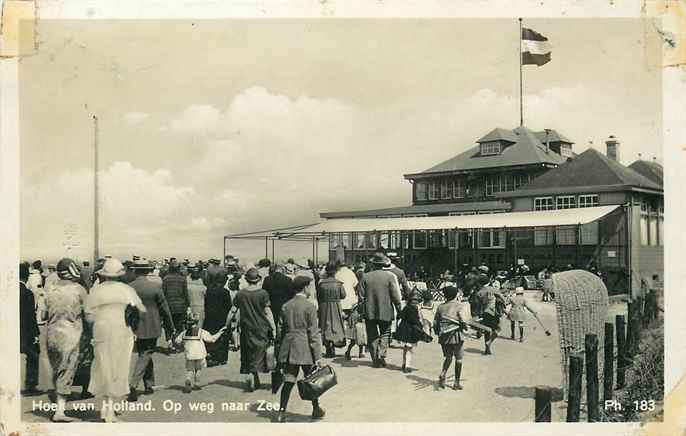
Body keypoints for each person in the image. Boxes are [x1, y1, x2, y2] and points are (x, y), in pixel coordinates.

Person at [85, 258, 145, 423]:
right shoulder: (126, 290)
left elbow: (89, 317)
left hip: (101, 329)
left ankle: (105, 409)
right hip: (120, 329)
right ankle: (110, 413)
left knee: (103, 365)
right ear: (119, 275)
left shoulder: (95, 290)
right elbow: (140, 309)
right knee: (118, 366)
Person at [275, 275, 325, 423]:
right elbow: (314, 333)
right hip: (305, 348)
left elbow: (280, 330)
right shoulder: (310, 306)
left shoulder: (286, 305)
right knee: (311, 381)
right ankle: (316, 409)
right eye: (309, 286)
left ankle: (281, 413)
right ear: (305, 288)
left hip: (289, 347)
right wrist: (318, 357)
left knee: (289, 380)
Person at [44, 258, 88, 422]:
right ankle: (59, 412)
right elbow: (89, 315)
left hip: (51, 334)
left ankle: (58, 405)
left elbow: (42, 314)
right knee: (67, 370)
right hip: (71, 334)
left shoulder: (50, 289)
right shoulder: (79, 290)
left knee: (58, 369)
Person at [128, 259, 175, 401]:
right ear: (148, 271)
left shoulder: (130, 287)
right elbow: (165, 309)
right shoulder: (155, 287)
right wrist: (170, 326)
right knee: (146, 354)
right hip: (153, 325)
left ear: (135, 270)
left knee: (145, 353)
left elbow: (126, 309)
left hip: (135, 326)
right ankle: (133, 384)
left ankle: (149, 385)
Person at [227, 268, 276, 391]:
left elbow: (233, 310)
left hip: (246, 327)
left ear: (247, 280)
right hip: (261, 328)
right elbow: (267, 312)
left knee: (248, 352)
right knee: (259, 352)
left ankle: (252, 375)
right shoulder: (263, 293)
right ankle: (253, 374)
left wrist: (226, 323)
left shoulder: (241, 294)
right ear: (258, 279)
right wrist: (273, 327)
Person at [358, 253, 402, 368]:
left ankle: (374, 359)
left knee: (372, 334)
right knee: (386, 332)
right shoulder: (390, 276)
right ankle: (382, 355)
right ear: (384, 264)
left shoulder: (365, 277)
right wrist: (399, 308)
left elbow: (361, 297)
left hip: (369, 310)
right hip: (386, 309)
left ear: (373, 264)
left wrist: (360, 311)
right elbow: (396, 296)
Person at [174, 313, 226, 393]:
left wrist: (179, 341)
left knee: (190, 370)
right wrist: (219, 333)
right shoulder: (201, 332)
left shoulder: (184, 333)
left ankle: (188, 379)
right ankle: (197, 383)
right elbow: (212, 339)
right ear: (198, 322)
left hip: (189, 355)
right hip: (200, 354)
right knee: (198, 369)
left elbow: (177, 341)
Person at [434, 286, 470, 390]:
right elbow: (463, 321)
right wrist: (465, 327)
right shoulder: (460, 306)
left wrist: (438, 333)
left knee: (448, 357)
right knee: (459, 359)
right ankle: (456, 382)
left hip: (444, 335)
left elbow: (436, 322)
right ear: (456, 295)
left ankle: (443, 373)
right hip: (456, 335)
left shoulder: (440, 307)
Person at [204, 259, 232, 364]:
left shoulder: (209, 290)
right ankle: (222, 357)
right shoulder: (225, 292)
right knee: (222, 336)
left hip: (210, 316)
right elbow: (228, 306)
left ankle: (211, 354)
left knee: (211, 334)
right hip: (222, 316)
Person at [20, 262, 41, 396]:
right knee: (33, 354)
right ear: (26, 277)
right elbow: (30, 317)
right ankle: (31, 384)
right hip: (24, 333)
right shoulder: (27, 293)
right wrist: (35, 334)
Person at [316, 262, 346, 358]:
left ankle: (328, 345)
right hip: (335, 306)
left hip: (324, 306)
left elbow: (318, 296)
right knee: (336, 325)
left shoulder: (321, 284)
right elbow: (343, 295)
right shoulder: (338, 283)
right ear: (335, 272)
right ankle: (334, 342)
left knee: (325, 325)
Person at [395, 290, 427, 373]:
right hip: (411, 330)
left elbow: (400, 316)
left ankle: (404, 363)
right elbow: (414, 320)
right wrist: (420, 326)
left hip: (404, 329)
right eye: (414, 301)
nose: (415, 302)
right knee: (409, 349)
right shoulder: (414, 309)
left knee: (406, 348)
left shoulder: (406, 307)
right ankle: (407, 366)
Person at [476, 274, 505, 355]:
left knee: (487, 331)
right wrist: (504, 305)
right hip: (493, 312)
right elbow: (502, 298)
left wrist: (479, 314)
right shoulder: (493, 289)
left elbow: (479, 305)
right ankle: (489, 342)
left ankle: (487, 350)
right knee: (498, 329)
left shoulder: (479, 292)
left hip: (484, 313)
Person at [162, 260, 190, 337]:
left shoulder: (166, 279)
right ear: (178, 269)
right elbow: (185, 294)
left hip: (169, 306)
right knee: (179, 326)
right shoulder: (182, 279)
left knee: (168, 325)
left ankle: (170, 342)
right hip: (180, 306)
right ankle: (178, 343)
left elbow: (163, 293)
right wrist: (188, 305)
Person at [262, 264, 294, 330]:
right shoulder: (288, 280)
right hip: (284, 305)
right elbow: (292, 294)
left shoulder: (267, 279)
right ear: (281, 270)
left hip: (272, 306)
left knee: (272, 325)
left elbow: (264, 294)